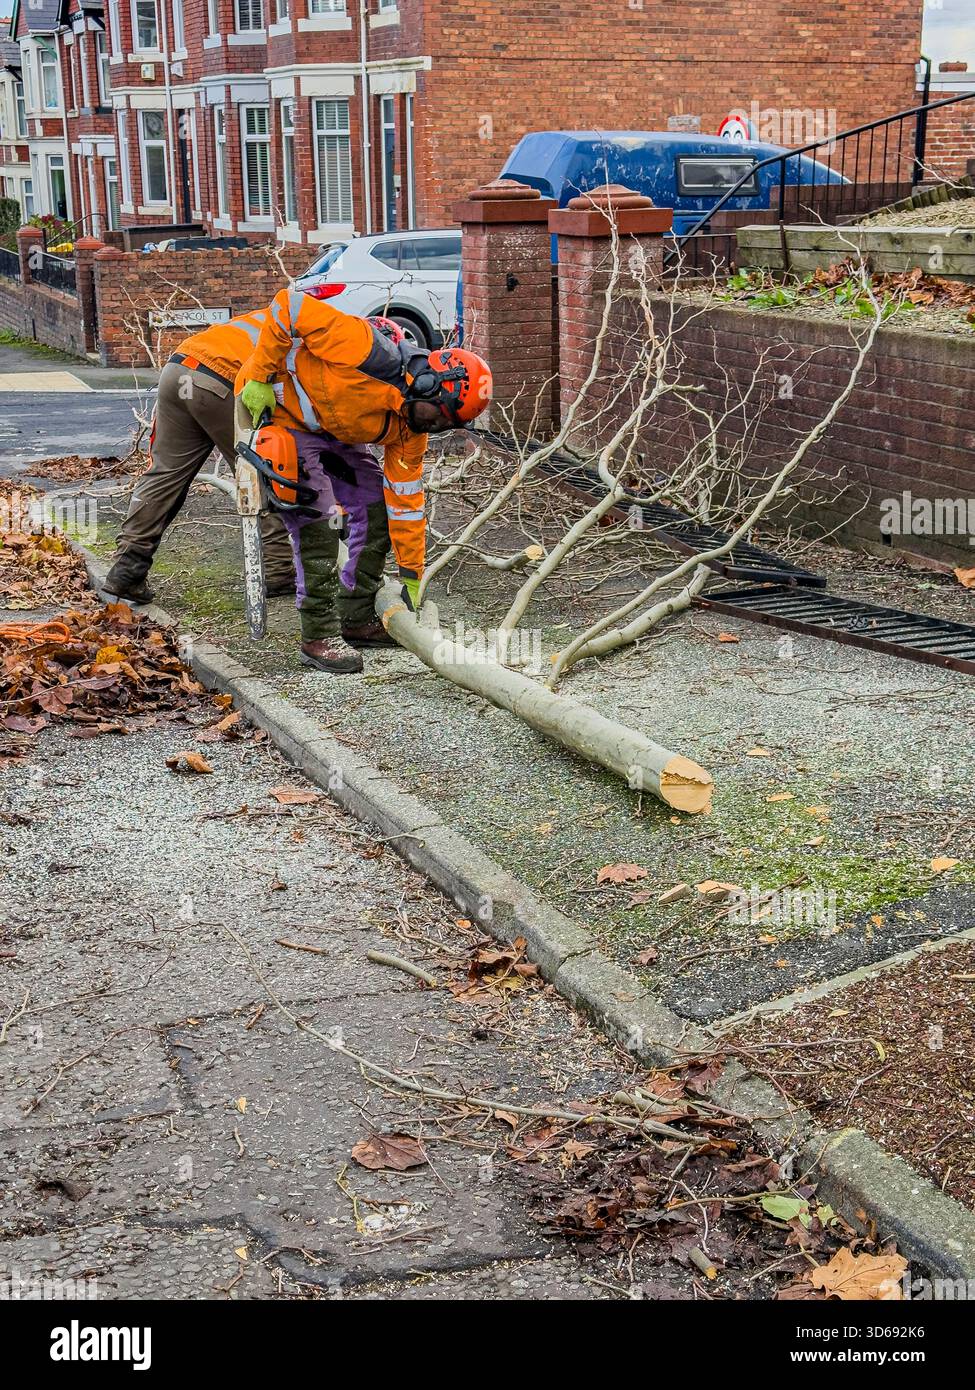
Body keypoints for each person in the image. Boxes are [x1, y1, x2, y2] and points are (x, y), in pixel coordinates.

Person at [236, 291, 492, 673]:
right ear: (426, 384)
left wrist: (412, 574)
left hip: (333, 429)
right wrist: (258, 373)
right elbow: (289, 306)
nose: (437, 428)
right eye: (439, 417)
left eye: (449, 425)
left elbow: (405, 503)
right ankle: (317, 634)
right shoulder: (367, 349)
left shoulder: (411, 429)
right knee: (318, 514)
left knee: (376, 508)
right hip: (281, 413)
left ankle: (356, 616)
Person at [103, 310, 295, 603]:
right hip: (223, 378)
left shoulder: (277, 315)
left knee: (164, 473)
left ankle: (126, 570)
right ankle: (277, 570)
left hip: (179, 369)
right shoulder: (321, 338)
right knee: (262, 468)